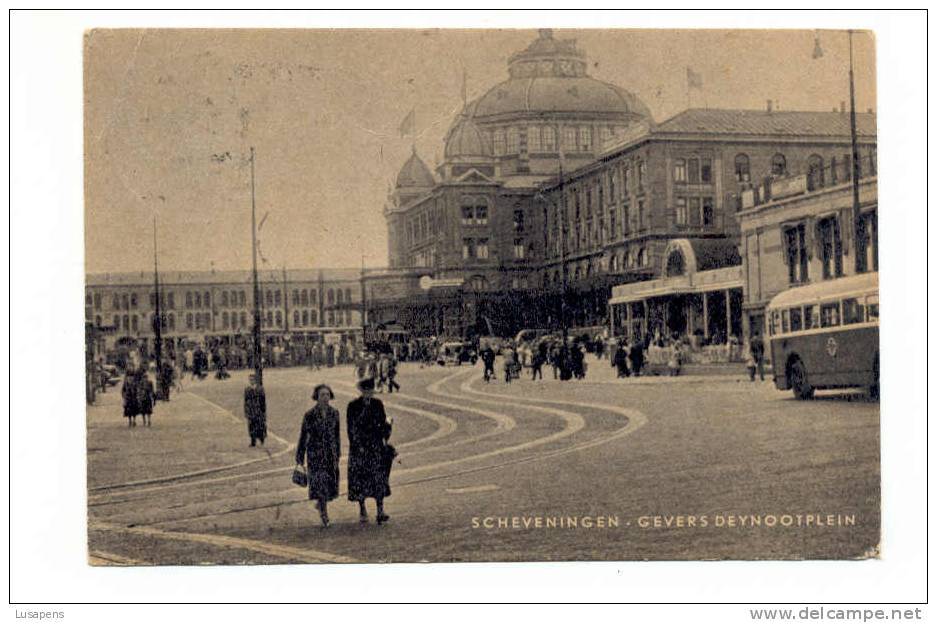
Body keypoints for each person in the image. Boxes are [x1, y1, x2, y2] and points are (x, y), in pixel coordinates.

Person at [347, 377, 392, 525]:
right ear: (361, 391)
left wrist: (387, 429)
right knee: (360, 479)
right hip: (360, 447)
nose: (369, 394)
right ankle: (362, 509)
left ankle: (380, 510)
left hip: (375, 445)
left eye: (371, 391)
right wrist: (355, 444)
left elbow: (383, 422)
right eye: (366, 391)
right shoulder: (353, 406)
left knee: (378, 478)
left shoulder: (378, 404)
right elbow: (351, 428)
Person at [295, 384, 341, 527]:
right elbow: (304, 435)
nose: (325, 398)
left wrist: (338, 451)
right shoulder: (309, 415)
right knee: (320, 483)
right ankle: (324, 513)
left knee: (328, 485)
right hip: (315, 454)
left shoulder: (335, 413)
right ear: (316, 397)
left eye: (327, 394)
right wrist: (300, 456)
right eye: (322, 395)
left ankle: (322, 504)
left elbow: (337, 434)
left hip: (330, 454)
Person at [244, 374, 267, 447]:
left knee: (260, 425)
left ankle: (261, 439)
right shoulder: (247, 390)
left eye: (253, 380)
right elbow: (246, 401)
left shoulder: (260, 389)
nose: (251, 381)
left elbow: (263, 401)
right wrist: (246, 411)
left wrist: (263, 411)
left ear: (255, 380)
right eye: (250, 380)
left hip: (258, 410)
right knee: (251, 426)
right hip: (251, 410)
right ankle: (253, 441)